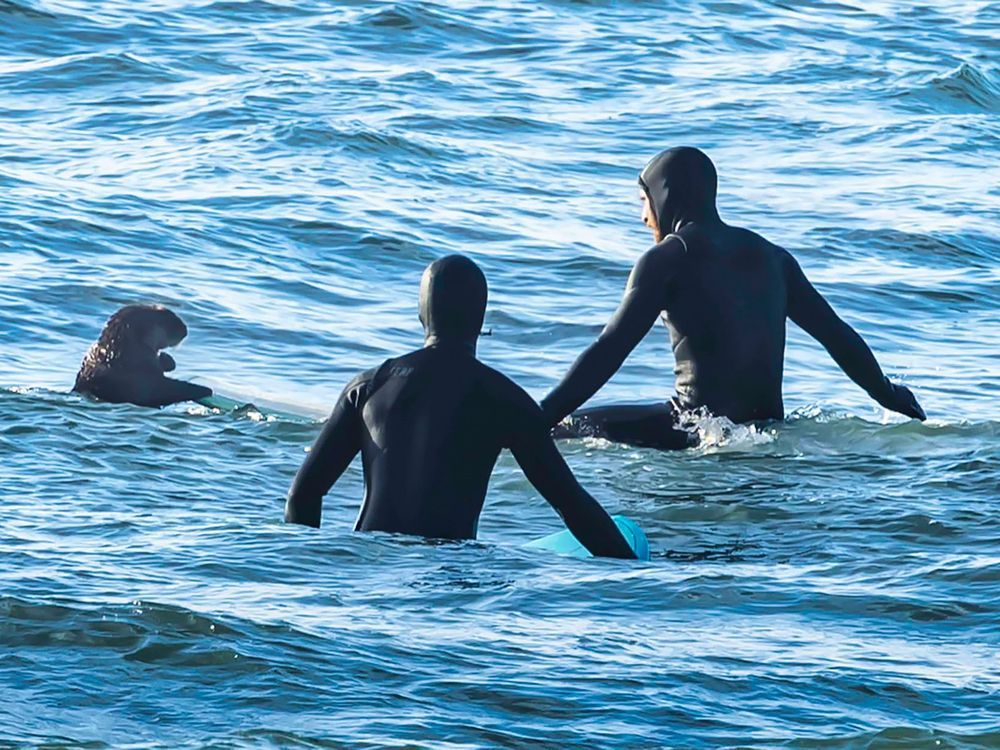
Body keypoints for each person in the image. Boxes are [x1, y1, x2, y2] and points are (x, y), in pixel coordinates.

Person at [541, 147, 925, 449]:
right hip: (767, 427)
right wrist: (888, 393)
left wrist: (540, 416)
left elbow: (609, 348)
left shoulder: (667, 259)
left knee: (568, 428)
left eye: (643, 200)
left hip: (699, 428)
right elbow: (836, 335)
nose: (643, 216)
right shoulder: (774, 257)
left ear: (665, 195)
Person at [285, 255, 636, 560]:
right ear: (480, 320)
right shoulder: (504, 399)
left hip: (370, 565)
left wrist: (312, 575)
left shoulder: (369, 386)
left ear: (422, 313)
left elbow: (303, 495)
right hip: (449, 574)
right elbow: (572, 506)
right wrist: (636, 574)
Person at [74, 304, 213, 408]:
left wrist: (159, 363)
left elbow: (129, 370)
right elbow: (153, 391)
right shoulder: (136, 358)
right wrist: (201, 391)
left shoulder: (97, 353)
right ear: (155, 329)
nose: (160, 349)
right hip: (117, 407)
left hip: (85, 402)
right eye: (162, 345)